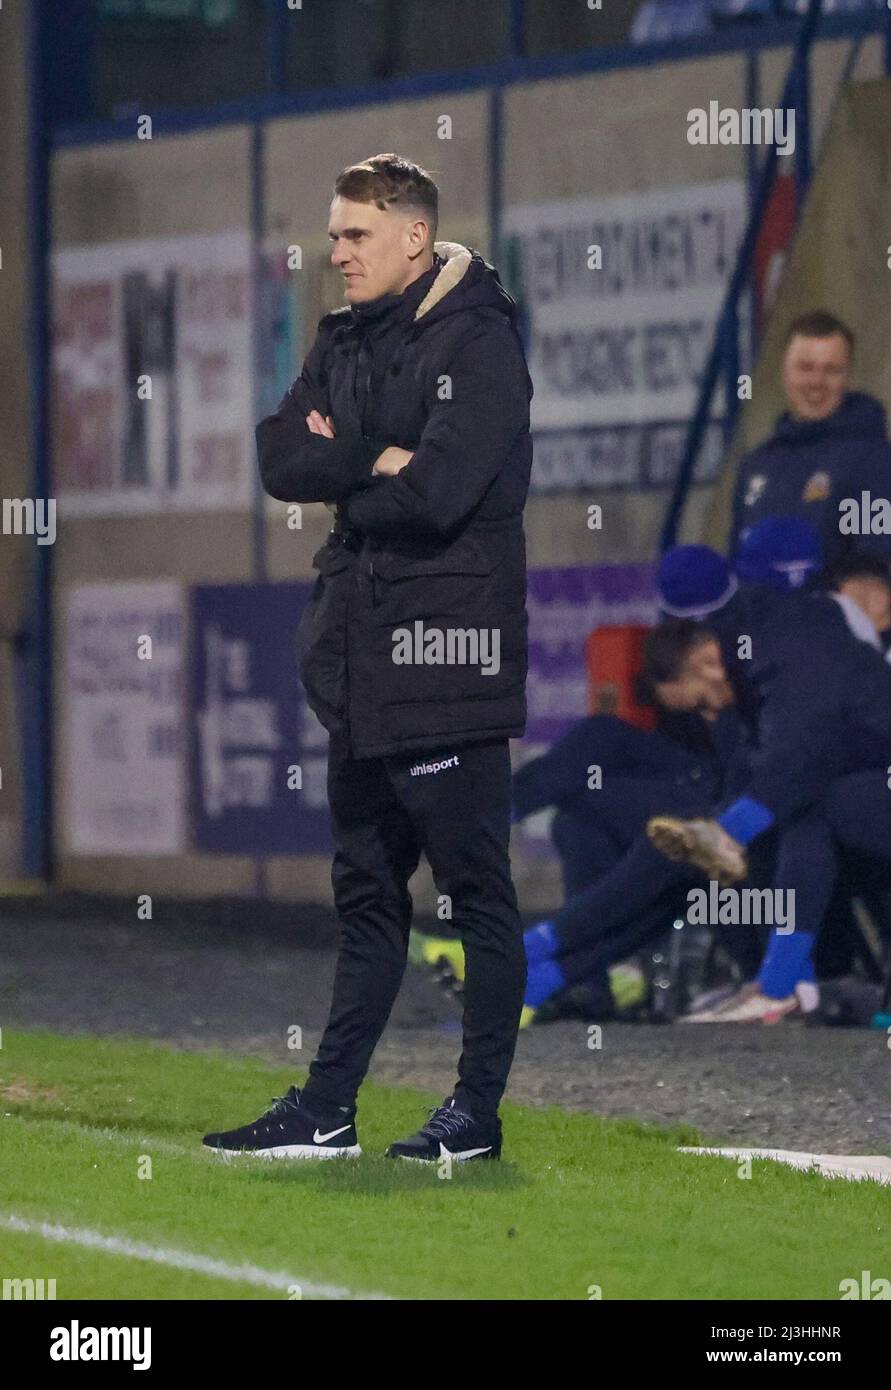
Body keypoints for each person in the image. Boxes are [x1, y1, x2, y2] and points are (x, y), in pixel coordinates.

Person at [204, 153, 533, 1163]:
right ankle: (329, 1109)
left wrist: (348, 470)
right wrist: (366, 458)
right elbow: (277, 456)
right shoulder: (345, 337)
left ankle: (475, 1112)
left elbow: (437, 494)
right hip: (361, 662)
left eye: (354, 235)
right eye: (335, 232)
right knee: (366, 895)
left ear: (414, 238)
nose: (335, 251)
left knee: (476, 893)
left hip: (448, 658)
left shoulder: (480, 343)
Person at [730, 311, 891, 564]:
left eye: (832, 370)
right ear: (784, 374)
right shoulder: (755, 465)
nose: (816, 382)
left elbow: (874, 573)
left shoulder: (873, 461)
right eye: (805, 368)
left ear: (847, 379)